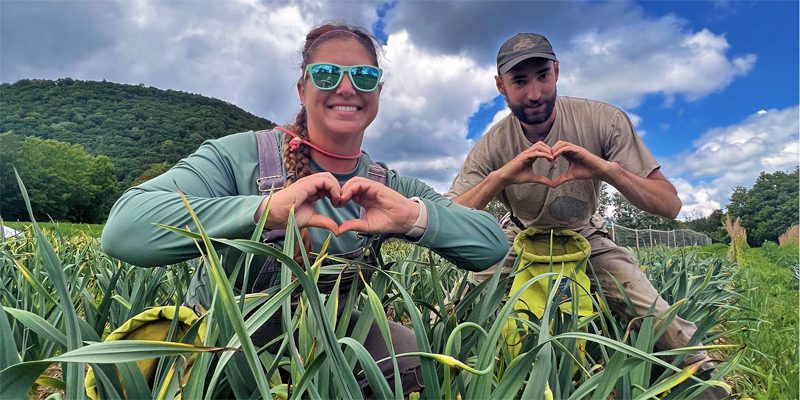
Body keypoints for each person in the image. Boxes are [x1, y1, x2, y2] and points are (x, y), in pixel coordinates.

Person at [101, 23, 508, 397]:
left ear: (378, 94)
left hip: (344, 341)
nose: (346, 87)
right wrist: (264, 211)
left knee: (417, 357)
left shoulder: (389, 185)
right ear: (302, 89)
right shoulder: (239, 156)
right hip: (229, 342)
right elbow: (125, 228)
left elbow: (490, 246)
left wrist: (412, 217)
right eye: (327, 74)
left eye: (364, 77)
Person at [447, 32, 728, 397]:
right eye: (519, 81)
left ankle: (706, 384)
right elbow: (450, 216)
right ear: (501, 86)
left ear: (557, 71)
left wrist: (606, 170)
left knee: (654, 314)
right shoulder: (493, 144)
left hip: (585, 234)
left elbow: (669, 205)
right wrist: (501, 176)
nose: (534, 93)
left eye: (542, 76)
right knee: (459, 308)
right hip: (517, 234)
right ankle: (460, 380)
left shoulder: (602, 120)